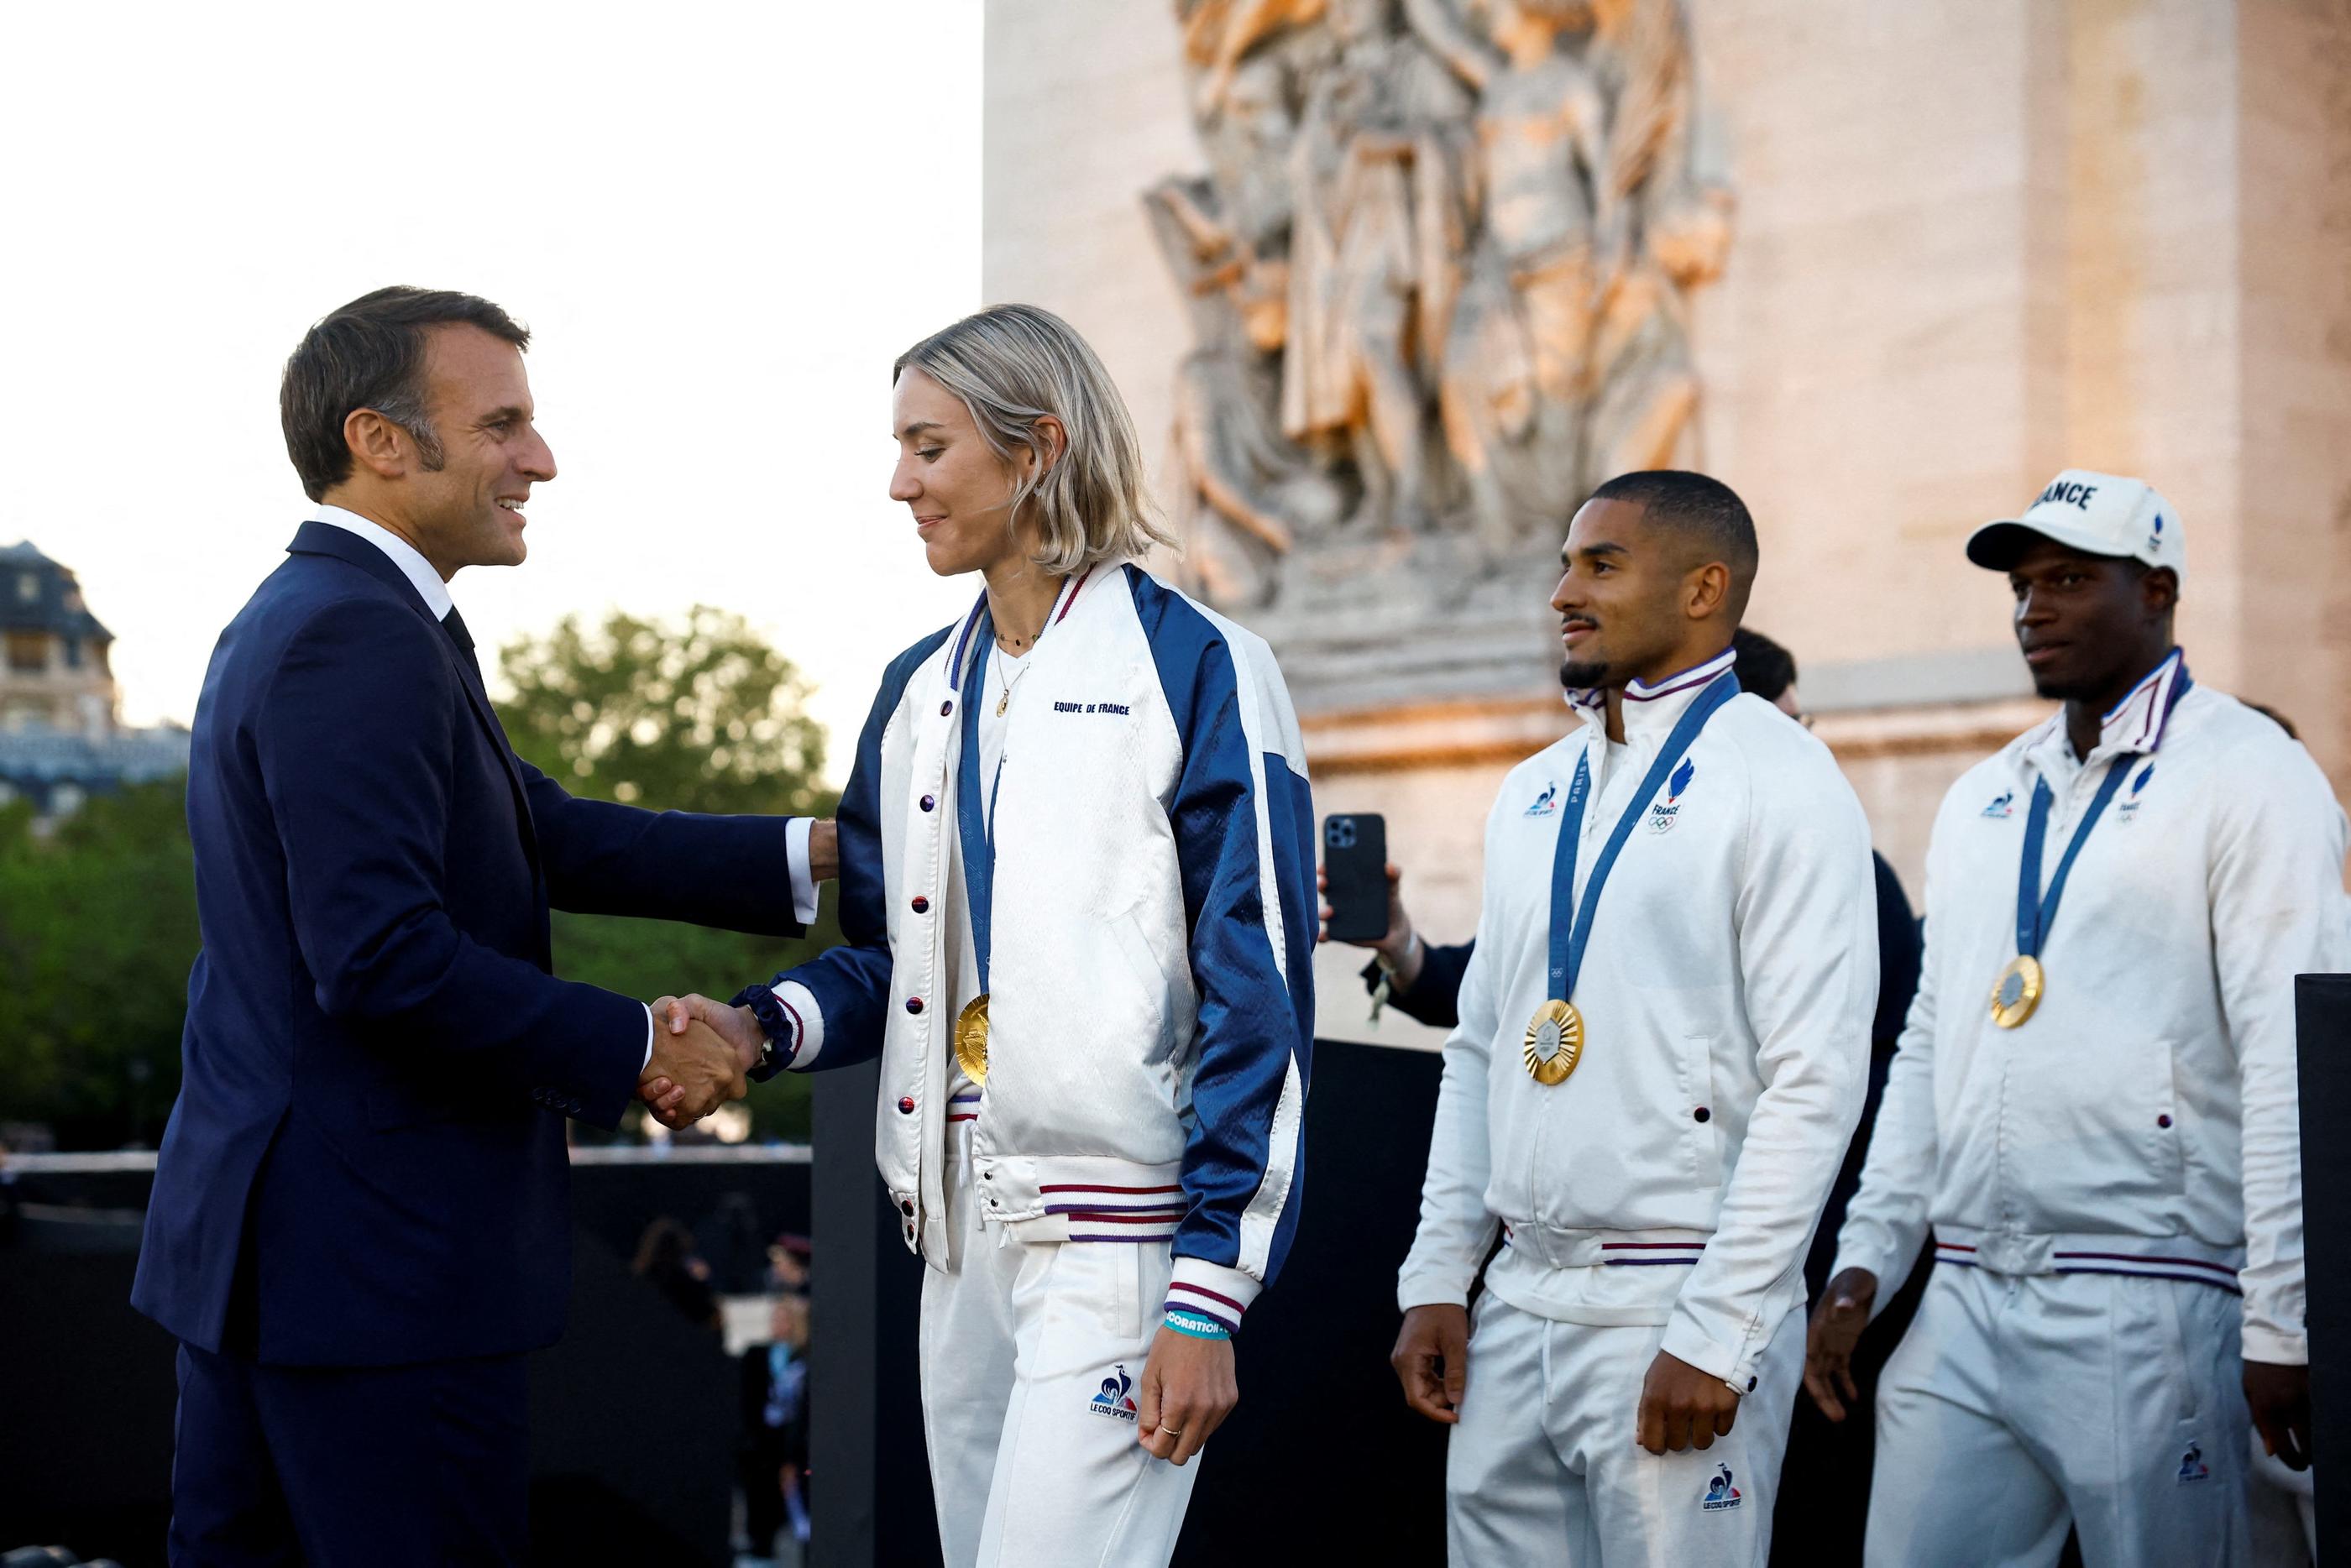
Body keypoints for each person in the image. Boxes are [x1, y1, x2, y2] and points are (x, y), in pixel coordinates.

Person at [133, 287, 830, 1564]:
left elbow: (529, 830)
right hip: (377, 1281)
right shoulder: (359, 633)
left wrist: (811, 854)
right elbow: (381, 957)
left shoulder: (323, 618)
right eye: (502, 425)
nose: (541, 461)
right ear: (382, 441)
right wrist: (642, 1046)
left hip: (283, 1269)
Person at [663, 304, 1317, 1568]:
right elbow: (883, 961)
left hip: (1116, 1243)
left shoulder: (1198, 667)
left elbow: (1262, 988)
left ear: (1037, 448)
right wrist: (756, 1030)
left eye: (928, 446)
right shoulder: (919, 687)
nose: (898, 483)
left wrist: (1207, 1290)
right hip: (954, 1238)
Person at [1806, 470, 2343, 1566]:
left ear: (2156, 592)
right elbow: (1930, 1046)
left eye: (2066, 580)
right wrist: (1869, 1257)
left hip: (2150, 1291)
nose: (2031, 608)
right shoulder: (1985, 794)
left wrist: (2286, 1319)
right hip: (1963, 1293)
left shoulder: (2251, 774)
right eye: (2019, 585)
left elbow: (2293, 1053)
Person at [1390, 471, 1876, 1565]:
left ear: (1706, 589)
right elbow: (1480, 1050)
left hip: (1677, 1301)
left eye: (1601, 565)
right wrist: (1437, 1278)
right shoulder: (1531, 791)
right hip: (1516, 1305)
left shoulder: (1785, 781)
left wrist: (1722, 1329)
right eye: (1563, 563)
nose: (1564, 590)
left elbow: (1816, 1080)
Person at [740, 1292, 812, 1565]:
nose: (778, 1324)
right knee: (760, 1517)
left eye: (785, 1318)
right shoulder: (757, 1355)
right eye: (775, 1318)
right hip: (761, 1449)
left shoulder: (805, 1358)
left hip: (792, 1447)